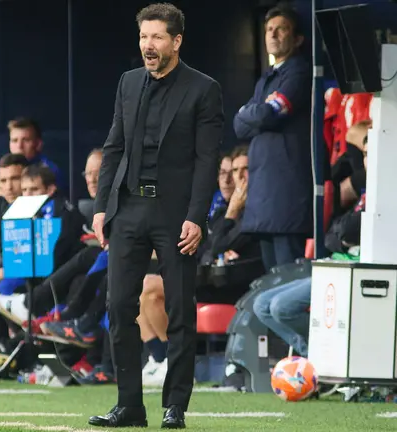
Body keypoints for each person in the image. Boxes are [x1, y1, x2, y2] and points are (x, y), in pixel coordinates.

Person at [90, 3, 223, 429]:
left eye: (157, 38)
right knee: (118, 307)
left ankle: (175, 407)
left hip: (174, 214)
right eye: (144, 37)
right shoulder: (128, 83)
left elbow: (207, 160)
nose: (149, 46)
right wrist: (100, 208)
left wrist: (196, 216)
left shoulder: (204, 89)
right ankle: (129, 405)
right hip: (128, 208)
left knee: (180, 311)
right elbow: (113, 148)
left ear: (177, 41)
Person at [233, 4, 312, 271]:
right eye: (269, 29)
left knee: (287, 280)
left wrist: (251, 112)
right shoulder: (265, 80)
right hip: (264, 199)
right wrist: (254, 113)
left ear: (298, 38)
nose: (273, 34)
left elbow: (269, 115)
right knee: (269, 282)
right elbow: (239, 127)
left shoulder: (299, 72)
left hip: (287, 196)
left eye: (282, 29)